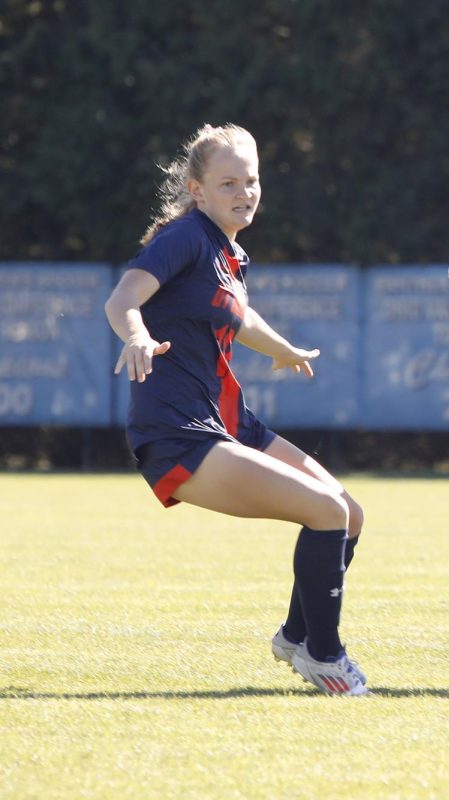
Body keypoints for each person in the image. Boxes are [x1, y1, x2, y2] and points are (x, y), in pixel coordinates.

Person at [104, 124, 367, 696]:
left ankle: (298, 636)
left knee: (348, 512)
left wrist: (285, 350)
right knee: (326, 512)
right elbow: (122, 298)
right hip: (179, 433)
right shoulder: (185, 237)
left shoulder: (227, 250)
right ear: (197, 190)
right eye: (228, 183)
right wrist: (137, 336)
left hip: (228, 423)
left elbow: (239, 318)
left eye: (251, 181)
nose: (244, 192)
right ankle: (325, 657)